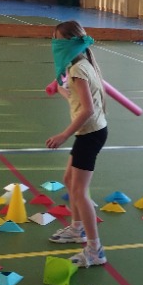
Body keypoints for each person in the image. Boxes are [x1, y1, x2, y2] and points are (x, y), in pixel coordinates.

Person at [45, 20, 109, 267]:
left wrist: (63, 135)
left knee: (80, 191)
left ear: (70, 43)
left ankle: (95, 249)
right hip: (90, 132)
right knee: (69, 181)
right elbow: (76, 97)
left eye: (58, 40)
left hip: (90, 134)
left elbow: (87, 110)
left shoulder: (78, 70)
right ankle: (77, 228)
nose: (54, 44)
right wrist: (58, 89)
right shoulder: (80, 65)